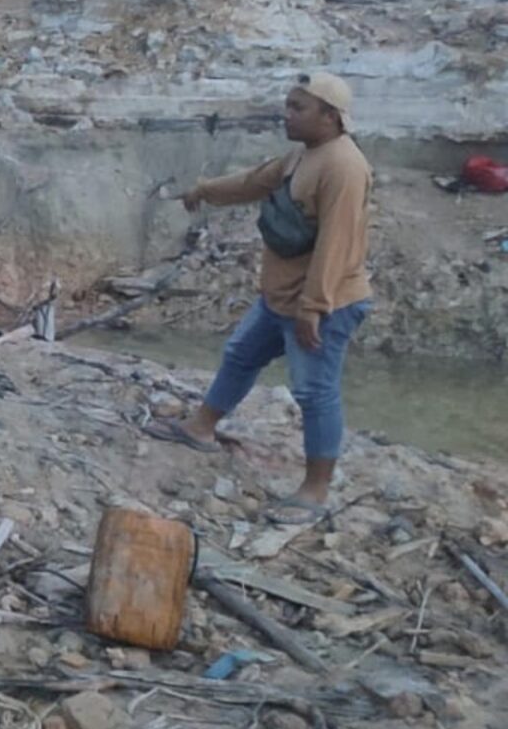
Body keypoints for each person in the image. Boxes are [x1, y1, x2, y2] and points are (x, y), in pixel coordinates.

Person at [144, 73, 373, 524]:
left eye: (297, 107)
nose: (285, 114)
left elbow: (337, 243)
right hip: (281, 296)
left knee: (315, 390)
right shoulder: (300, 157)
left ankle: (315, 489)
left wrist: (313, 307)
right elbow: (255, 182)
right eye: (287, 104)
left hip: (323, 302)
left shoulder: (343, 167)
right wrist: (204, 190)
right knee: (240, 354)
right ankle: (201, 427)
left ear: (329, 116)